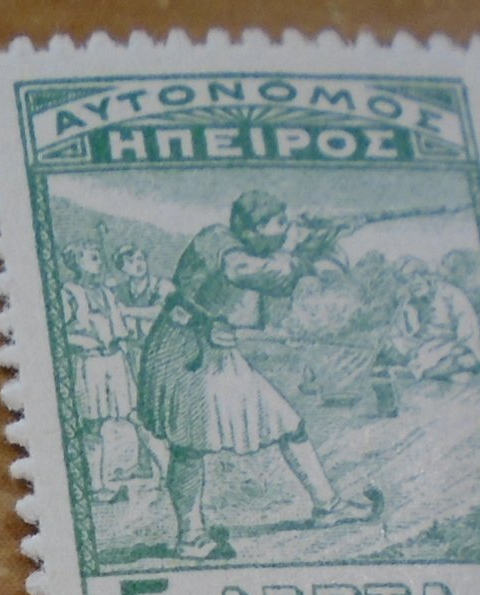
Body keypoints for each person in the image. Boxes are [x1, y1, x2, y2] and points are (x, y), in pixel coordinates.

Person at [137, 189, 376, 558]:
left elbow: (284, 287)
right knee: (189, 447)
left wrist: (321, 247)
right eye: (277, 223)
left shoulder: (266, 255)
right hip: (183, 349)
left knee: (290, 425)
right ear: (251, 228)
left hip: (220, 353)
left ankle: (328, 506)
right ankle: (190, 537)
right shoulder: (215, 239)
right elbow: (242, 270)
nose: (284, 229)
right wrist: (297, 250)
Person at [59, 243, 142, 502]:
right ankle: (97, 485)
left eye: (99, 257)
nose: (99, 262)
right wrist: (88, 343)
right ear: (77, 262)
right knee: (93, 424)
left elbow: (120, 328)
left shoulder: (107, 292)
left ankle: (156, 473)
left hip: (115, 361)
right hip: (90, 362)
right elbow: (60, 333)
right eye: (92, 258)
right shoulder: (69, 293)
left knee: (133, 415)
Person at [391, 257, 480, 381]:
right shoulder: (409, 303)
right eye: (406, 281)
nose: (412, 284)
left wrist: (461, 347)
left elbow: (467, 326)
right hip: (427, 350)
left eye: (414, 277)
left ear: (426, 276)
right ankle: (437, 371)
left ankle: (429, 372)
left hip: (455, 346)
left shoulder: (450, 294)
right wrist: (406, 311)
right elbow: (407, 336)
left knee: (464, 359)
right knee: (424, 357)